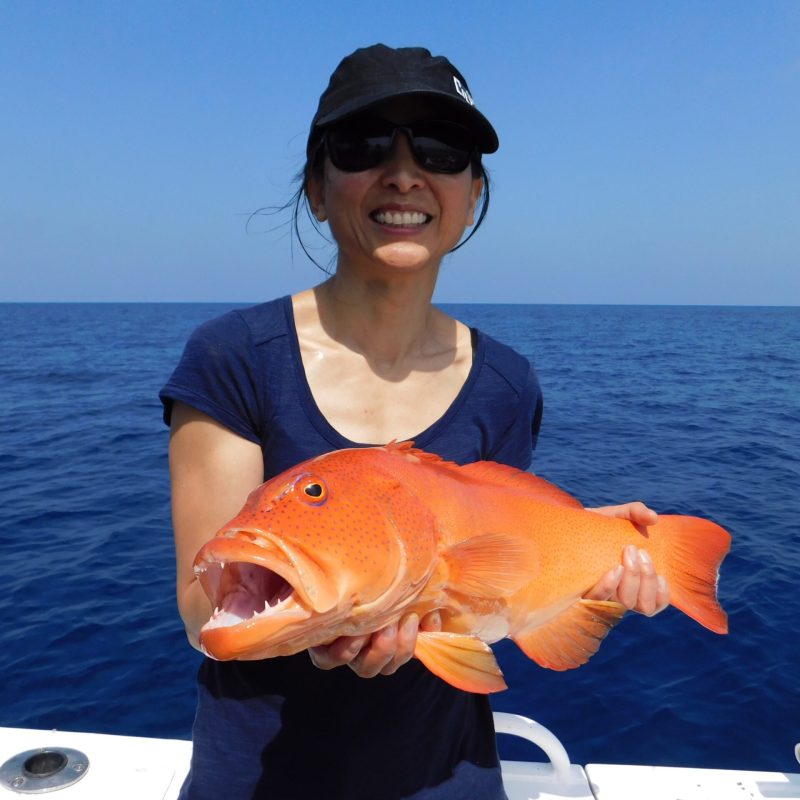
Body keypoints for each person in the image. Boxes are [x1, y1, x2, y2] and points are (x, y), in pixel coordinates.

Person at [161, 44, 669, 800]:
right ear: (317, 187)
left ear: (471, 193)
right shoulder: (233, 357)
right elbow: (209, 611)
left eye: (441, 148)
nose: (404, 173)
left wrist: (589, 563)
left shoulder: (506, 383)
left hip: (448, 774)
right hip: (259, 778)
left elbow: (487, 591)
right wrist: (319, 629)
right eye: (363, 145)